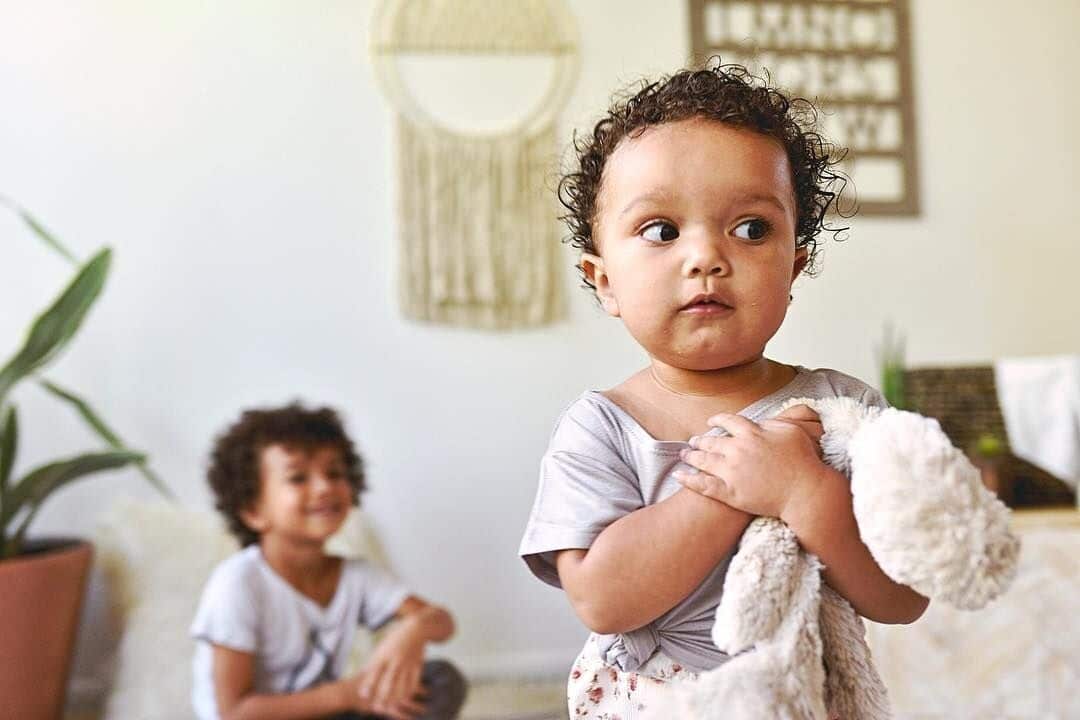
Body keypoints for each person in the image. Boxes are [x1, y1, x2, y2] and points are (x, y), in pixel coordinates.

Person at [519, 62, 929, 716]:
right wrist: (735, 491)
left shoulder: (841, 413)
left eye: (751, 229)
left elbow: (903, 597)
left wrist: (804, 491)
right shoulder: (599, 428)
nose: (707, 256)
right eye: (661, 230)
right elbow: (603, 598)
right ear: (603, 281)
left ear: (794, 265)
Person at [191, 403, 467, 720]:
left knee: (441, 680)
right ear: (253, 509)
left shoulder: (356, 576)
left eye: (334, 473)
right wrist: (349, 694)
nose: (324, 487)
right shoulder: (238, 584)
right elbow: (236, 712)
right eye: (298, 478)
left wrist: (415, 629)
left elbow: (444, 624)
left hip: (329, 714)